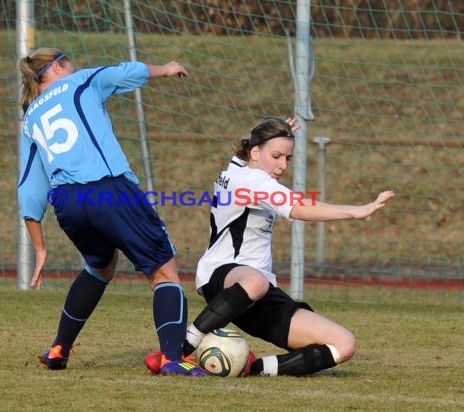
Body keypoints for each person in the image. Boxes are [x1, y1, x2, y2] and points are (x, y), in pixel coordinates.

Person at [145, 116, 394, 376]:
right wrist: (356, 211)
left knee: (344, 345)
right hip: (224, 277)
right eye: (276, 156)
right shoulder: (252, 182)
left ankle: (253, 368)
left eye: (287, 158)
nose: (283, 165)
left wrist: (277, 134)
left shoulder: (235, 170)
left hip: (260, 293)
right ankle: (178, 351)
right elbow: (297, 208)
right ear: (255, 152)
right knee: (255, 282)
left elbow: (250, 153)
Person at [17, 47, 205, 376]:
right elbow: (124, 71)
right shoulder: (80, 80)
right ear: (59, 66)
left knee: (99, 267)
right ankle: (174, 359)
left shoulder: (31, 117)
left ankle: (59, 348)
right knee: (164, 273)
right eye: (69, 60)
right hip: (109, 190)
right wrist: (167, 67)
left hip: (67, 203)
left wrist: (39, 246)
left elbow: (29, 186)